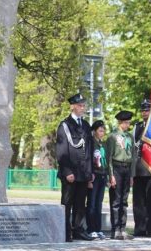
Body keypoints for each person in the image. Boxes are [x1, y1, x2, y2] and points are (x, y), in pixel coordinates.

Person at [55, 93, 94, 242]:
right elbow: (61, 151)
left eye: (83, 105)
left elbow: (89, 150)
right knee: (67, 204)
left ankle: (78, 230)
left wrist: (90, 173)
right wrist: (67, 172)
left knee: (80, 205)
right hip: (71, 173)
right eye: (79, 105)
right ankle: (65, 232)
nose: (82, 108)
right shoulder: (65, 125)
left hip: (83, 173)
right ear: (72, 106)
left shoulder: (85, 125)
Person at [131, 99, 151, 238]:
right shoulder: (137, 127)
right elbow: (133, 148)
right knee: (138, 201)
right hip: (138, 169)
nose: (144, 112)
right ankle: (140, 227)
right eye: (143, 110)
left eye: (147, 110)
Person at [107, 110, 134, 240]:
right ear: (120, 122)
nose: (128, 125)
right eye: (126, 123)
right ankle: (115, 229)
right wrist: (111, 175)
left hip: (126, 169)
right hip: (116, 168)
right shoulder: (112, 136)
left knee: (124, 201)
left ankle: (123, 229)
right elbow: (109, 158)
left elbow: (132, 157)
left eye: (129, 122)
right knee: (116, 201)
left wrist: (131, 175)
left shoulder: (129, 136)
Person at [85, 120, 107, 240]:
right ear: (94, 131)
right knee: (91, 204)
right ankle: (91, 229)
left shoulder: (102, 144)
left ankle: (98, 229)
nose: (102, 133)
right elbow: (88, 160)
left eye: (103, 131)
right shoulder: (91, 143)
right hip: (93, 176)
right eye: (100, 130)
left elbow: (104, 161)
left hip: (102, 175)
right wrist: (89, 176)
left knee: (99, 204)